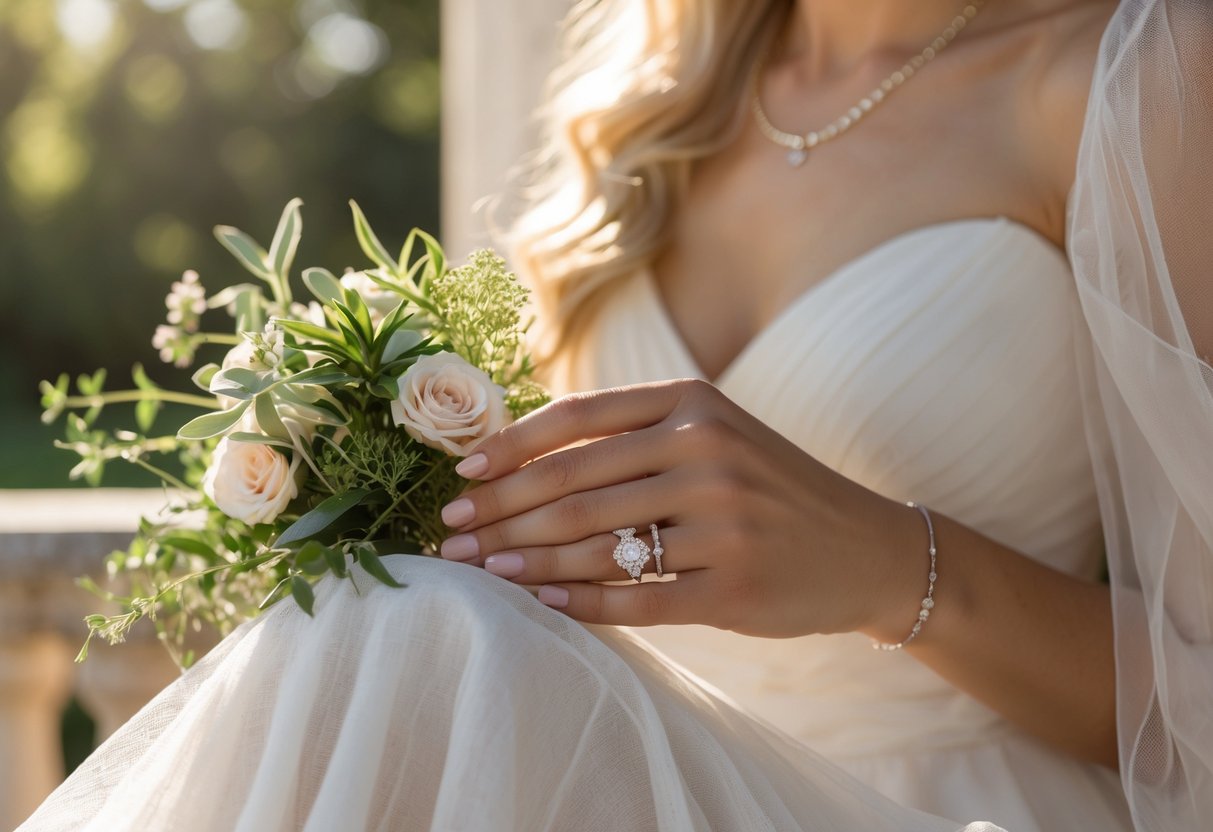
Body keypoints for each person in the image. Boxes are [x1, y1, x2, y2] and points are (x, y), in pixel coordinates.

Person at [19, 0, 1212, 830]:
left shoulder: (1135, 73)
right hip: (630, 779)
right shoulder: (651, 99)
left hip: (946, 801)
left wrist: (893, 567)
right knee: (387, 619)